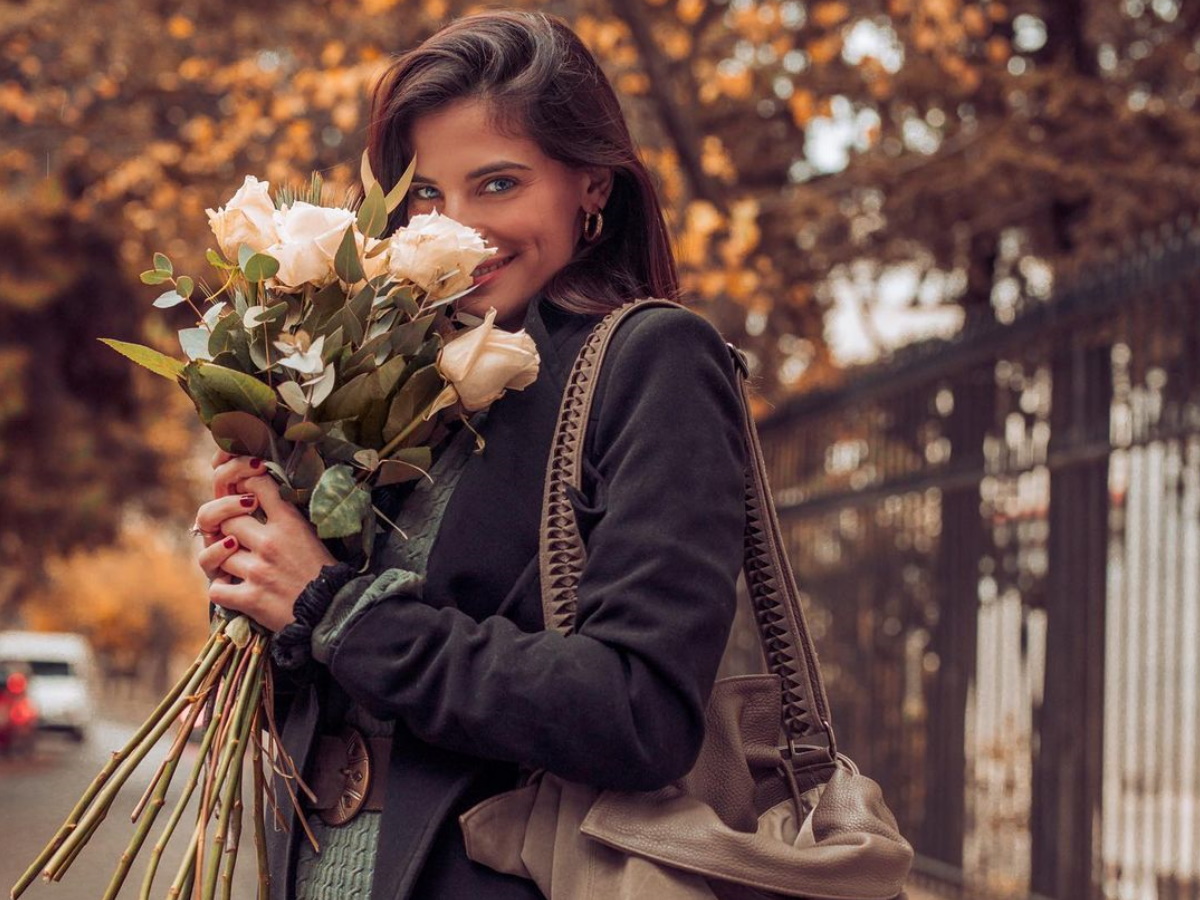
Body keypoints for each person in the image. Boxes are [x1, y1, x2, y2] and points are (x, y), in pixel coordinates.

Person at [190, 10, 746, 900]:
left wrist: (334, 608)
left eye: (498, 183)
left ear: (592, 184)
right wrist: (263, 591)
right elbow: (343, 687)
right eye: (424, 196)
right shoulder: (381, 371)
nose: (458, 230)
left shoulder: (652, 363)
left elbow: (641, 710)